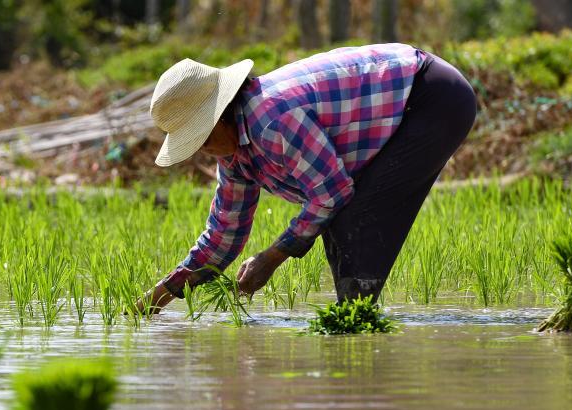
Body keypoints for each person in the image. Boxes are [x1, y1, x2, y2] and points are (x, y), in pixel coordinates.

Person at [135, 44, 477, 313]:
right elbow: (223, 234)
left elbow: (331, 193)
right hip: (408, 103)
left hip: (431, 96)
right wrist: (158, 297)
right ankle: (356, 321)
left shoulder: (273, 120)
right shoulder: (234, 153)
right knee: (342, 221)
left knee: (353, 219)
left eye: (202, 138)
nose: (203, 151)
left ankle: (355, 328)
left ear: (221, 115)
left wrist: (271, 257)